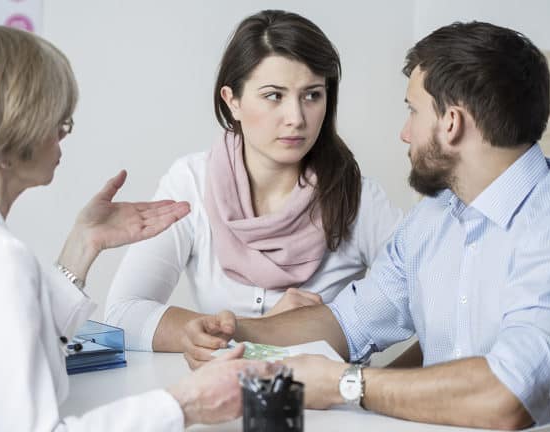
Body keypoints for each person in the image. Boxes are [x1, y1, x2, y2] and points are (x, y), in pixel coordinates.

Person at [0, 24, 269, 432]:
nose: (62, 138)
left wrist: (84, 244)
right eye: (58, 124)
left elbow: (13, 357)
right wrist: (186, 404)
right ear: (10, 140)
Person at [181, 21, 550, 430]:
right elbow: (347, 323)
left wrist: (345, 384)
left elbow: (506, 397)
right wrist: (234, 330)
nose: (404, 133)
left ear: (451, 123)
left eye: (413, 111)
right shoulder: (434, 217)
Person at [105, 10, 403, 354]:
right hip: (217, 396)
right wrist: (266, 330)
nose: (296, 118)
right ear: (232, 101)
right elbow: (123, 315)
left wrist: (244, 331)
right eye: (274, 95)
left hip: (328, 402)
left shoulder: (358, 198)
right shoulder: (191, 182)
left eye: (312, 95)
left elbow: (422, 298)